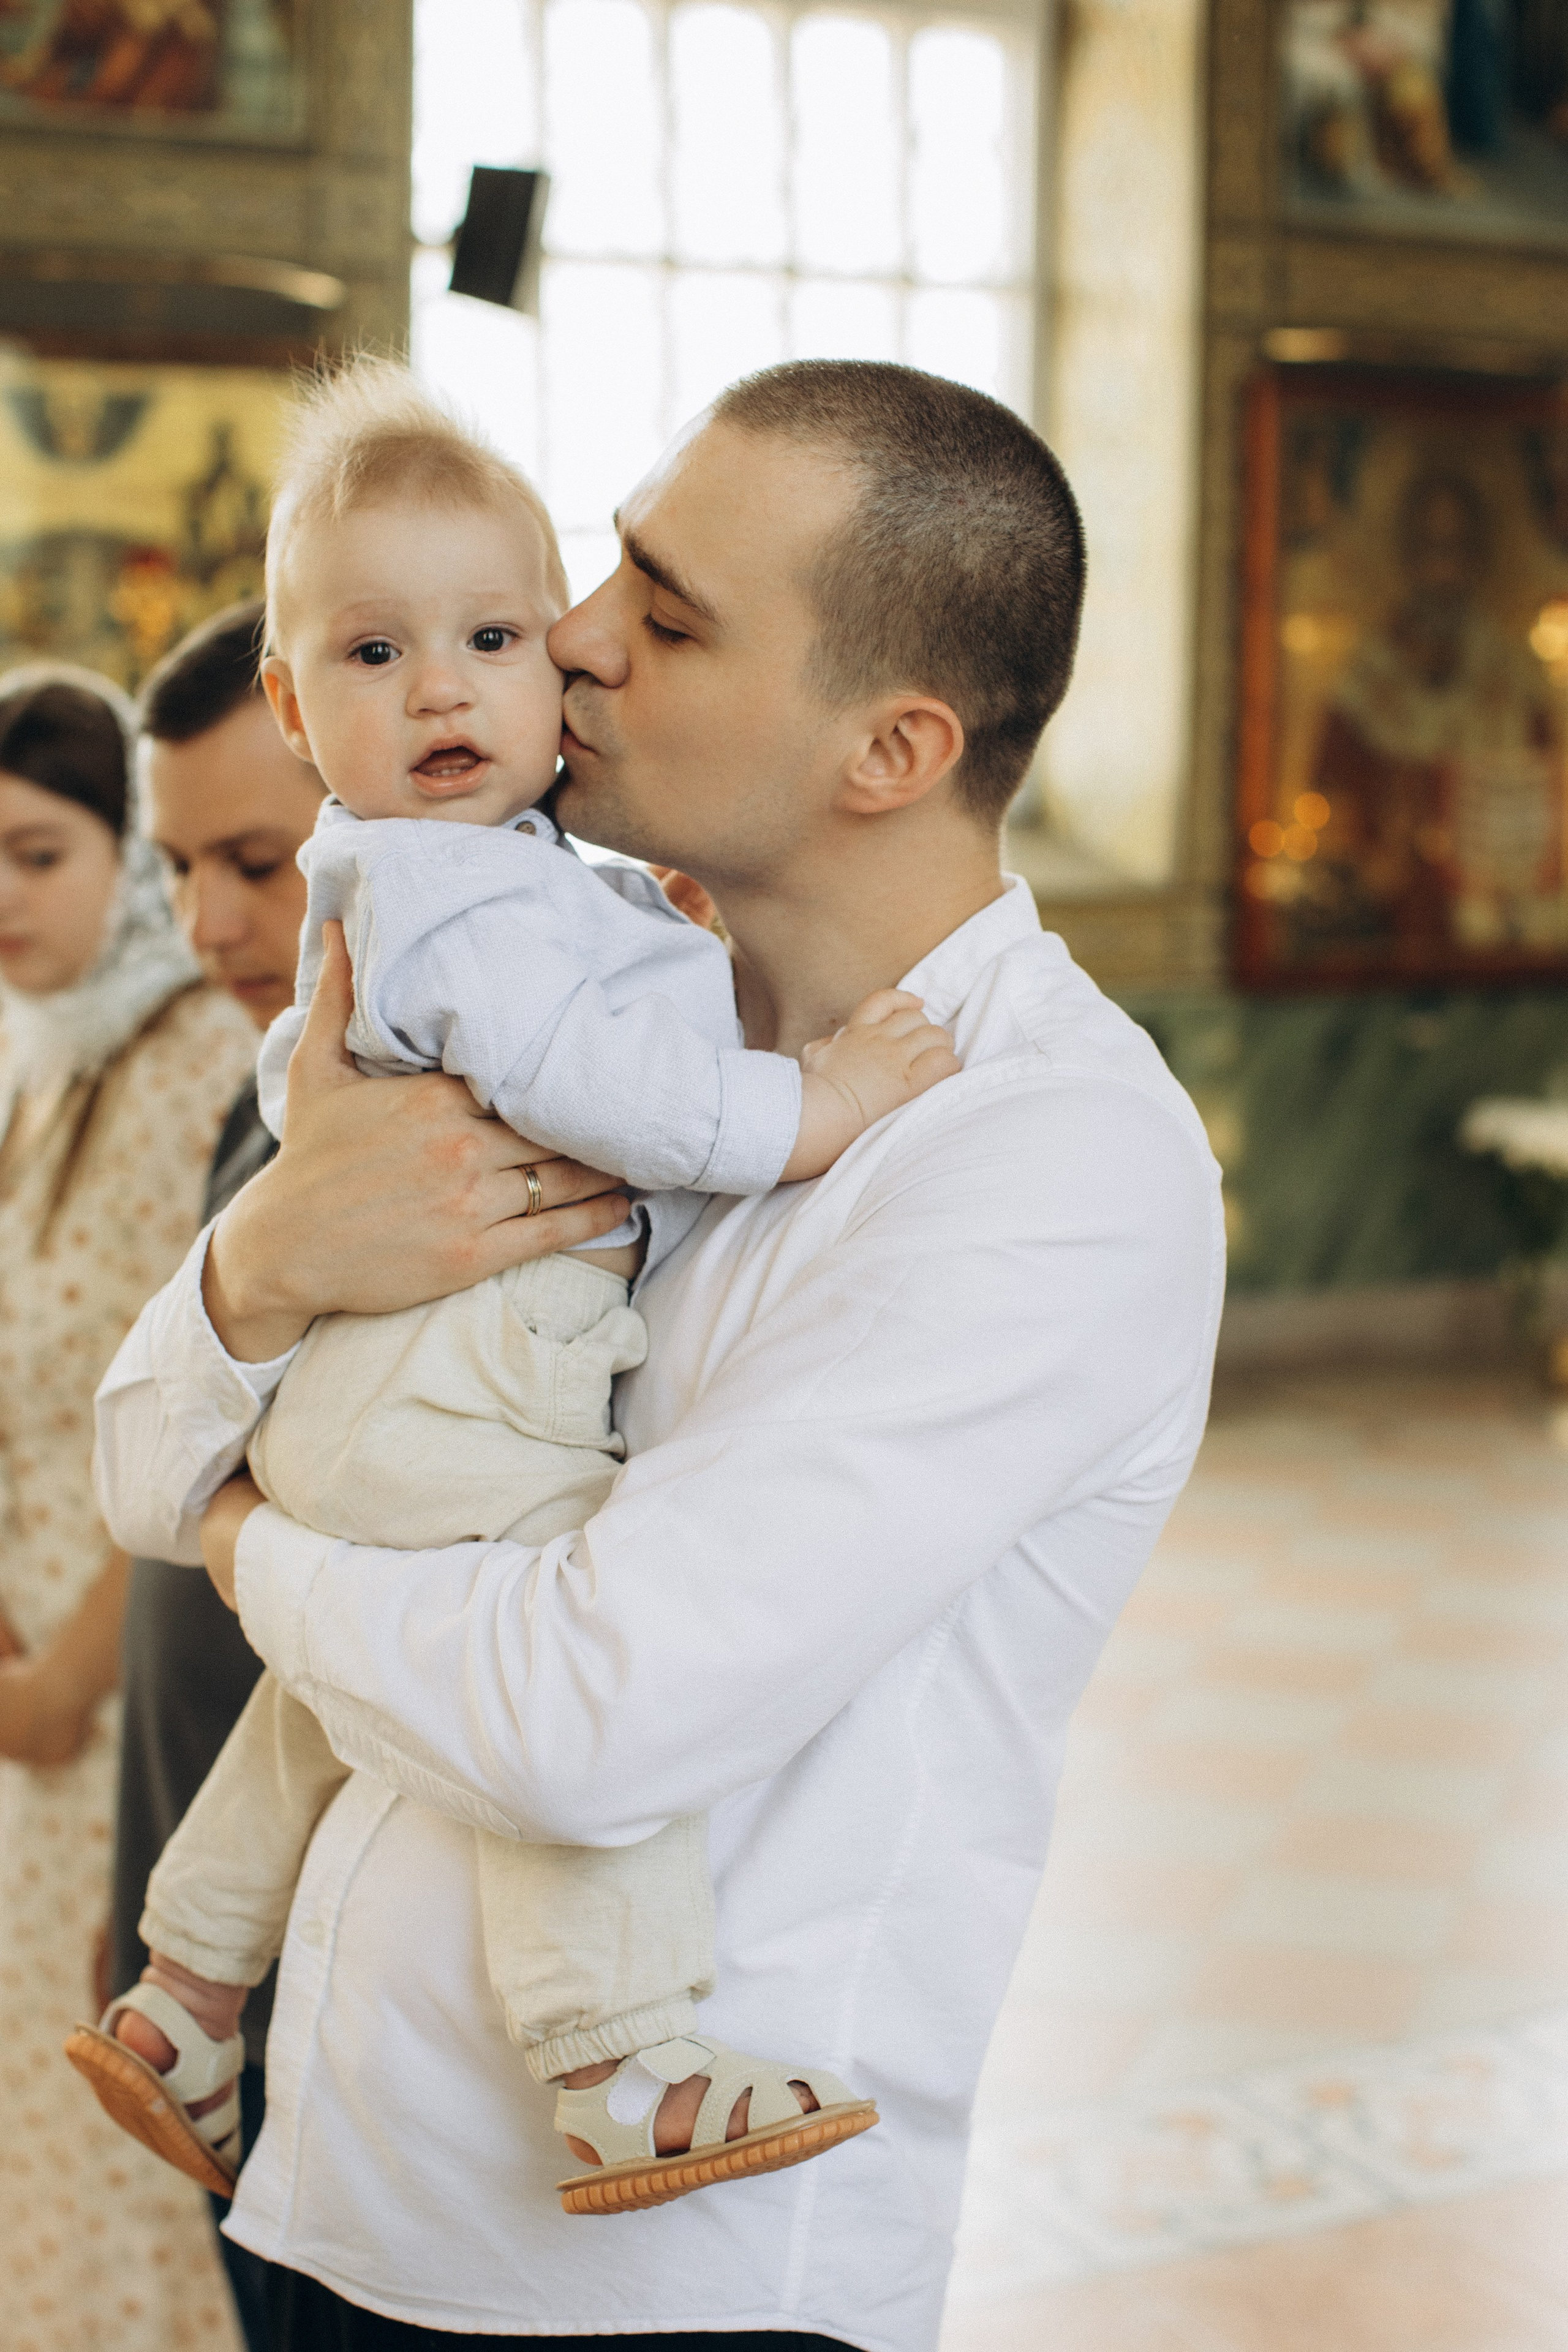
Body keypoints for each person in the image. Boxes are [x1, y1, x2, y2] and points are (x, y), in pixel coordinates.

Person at [93, 360, 1225, 2351]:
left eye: (667, 613)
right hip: (333, 2178)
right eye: (610, 567)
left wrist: (246, 1533)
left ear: (890, 748)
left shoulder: (1049, 1161)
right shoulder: (569, 995)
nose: (574, 642)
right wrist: (266, 1261)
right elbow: (130, 1459)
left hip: (647, 2280)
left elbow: (576, 1715)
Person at [75, 360, 952, 2212]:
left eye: (494, 633)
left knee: (326, 1697)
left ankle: (183, 1987)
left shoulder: (481, 880)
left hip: (370, 1419)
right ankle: (618, 2050)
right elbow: (610, 1095)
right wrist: (822, 1102)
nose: (452, 683)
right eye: (376, 656)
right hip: (466, 1396)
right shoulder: (454, 894)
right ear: (296, 708)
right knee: (549, 1658)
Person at [0, 662, 255, 2352]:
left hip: (119, 1694)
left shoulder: (207, 1064)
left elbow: (196, 1432)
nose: (1, 899)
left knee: (134, 2119)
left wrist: (68, 1679)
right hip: (25, 1685)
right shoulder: (51, 1061)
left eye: (37, 855)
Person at [108, 597, 325, 2352]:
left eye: (256, 860)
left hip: (330, 1951)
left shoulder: (425, 1110)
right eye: (179, 868)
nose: (208, 924)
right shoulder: (262, 1090)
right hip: (202, 1895)